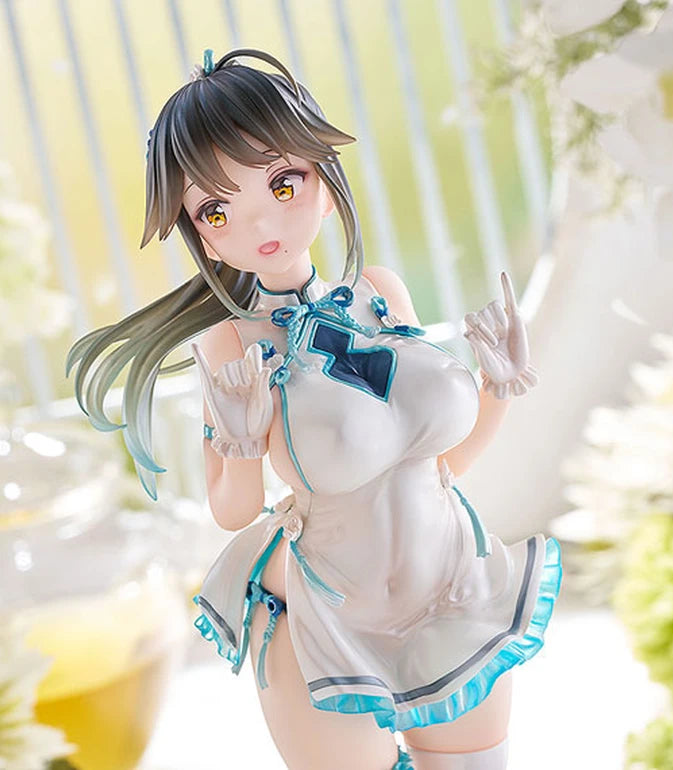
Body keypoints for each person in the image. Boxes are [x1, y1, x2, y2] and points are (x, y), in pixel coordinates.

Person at [67, 48, 561, 770]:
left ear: (325, 180)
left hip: (448, 589)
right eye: (216, 209)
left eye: (282, 183)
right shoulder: (230, 342)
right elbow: (232, 510)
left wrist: (497, 386)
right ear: (202, 233)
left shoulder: (381, 292)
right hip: (324, 616)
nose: (259, 221)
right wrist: (239, 442)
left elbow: (437, 465)